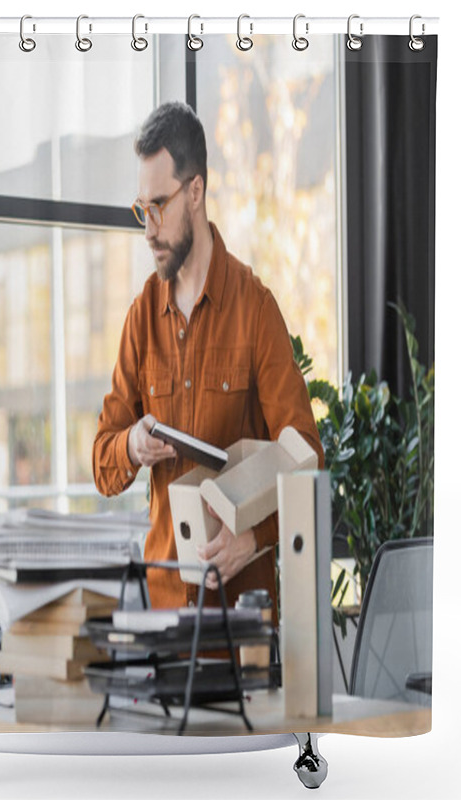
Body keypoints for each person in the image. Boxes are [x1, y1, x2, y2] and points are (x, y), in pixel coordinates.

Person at [92, 101, 322, 619]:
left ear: (195, 191)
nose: (148, 228)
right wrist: (132, 444)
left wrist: (256, 536)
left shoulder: (255, 309)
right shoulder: (141, 318)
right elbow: (103, 462)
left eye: (159, 206)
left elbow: (308, 455)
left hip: (240, 628)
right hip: (163, 619)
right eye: (140, 210)